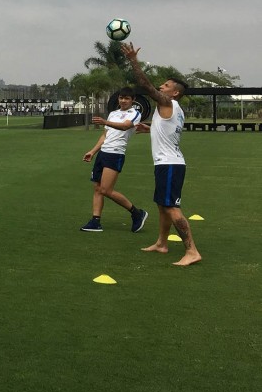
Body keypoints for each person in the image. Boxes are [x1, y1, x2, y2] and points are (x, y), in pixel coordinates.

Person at [121, 43, 201, 266]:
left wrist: (133, 61)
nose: (161, 87)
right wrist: (150, 129)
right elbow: (167, 130)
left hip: (170, 164)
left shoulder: (167, 102)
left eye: (165, 86)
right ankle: (162, 243)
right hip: (168, 163)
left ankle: (192, 250)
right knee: (162, 205)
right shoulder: (172, 110)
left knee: (172, 208)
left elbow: (145, 85)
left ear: (175, 93)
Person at [80, 87, 148, 233]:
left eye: (127, 98)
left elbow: (125, 127)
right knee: (97, 188)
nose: (123, 101)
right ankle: (95, 221)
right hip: (103, 153)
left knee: (106, 190)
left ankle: (137, 213)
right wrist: (93, 151)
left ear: (133, 100)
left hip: (116, 154)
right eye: (121, 98)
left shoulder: (135, 113)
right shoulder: (113, 113)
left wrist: (105, 121)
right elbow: (105, 135)